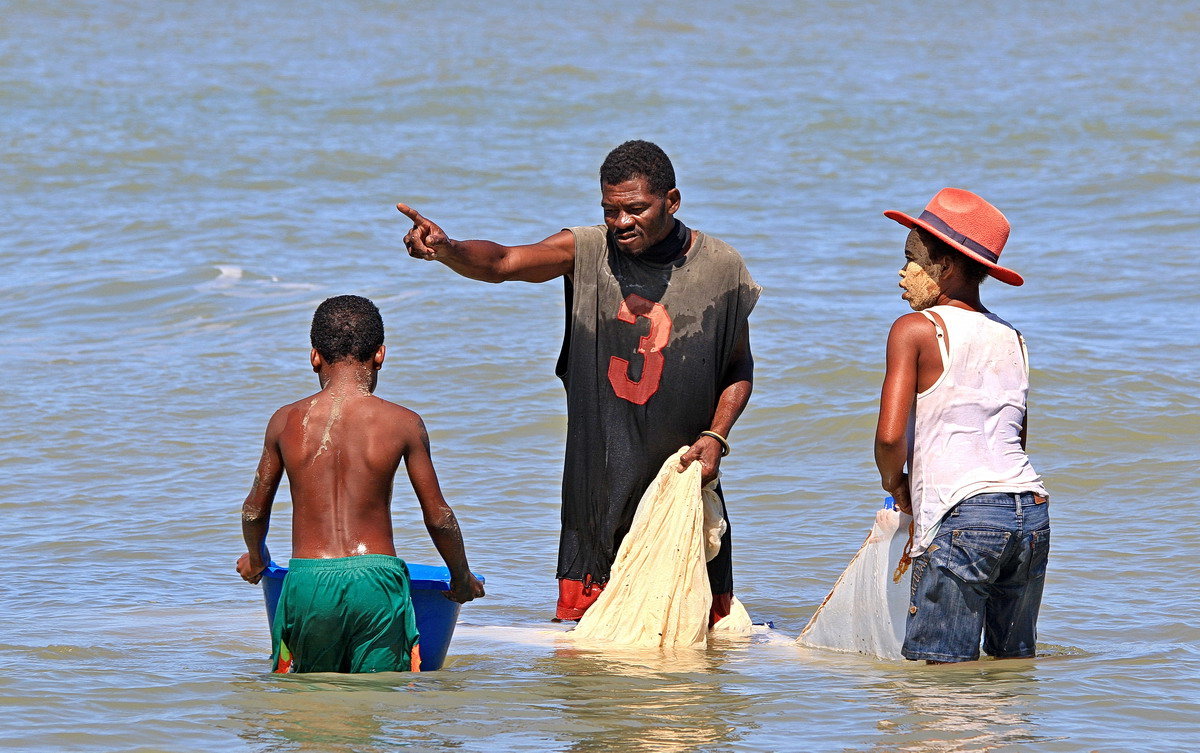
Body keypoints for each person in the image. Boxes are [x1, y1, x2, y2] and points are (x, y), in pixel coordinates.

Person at [397, 140, 760, 622]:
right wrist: (448, 249)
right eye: (611, 210)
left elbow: (738, 368)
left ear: (672, 201)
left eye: (636, 209)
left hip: (683, 488)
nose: (622, 222)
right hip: (596, 498)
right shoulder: (587, 250)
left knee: (696, 648)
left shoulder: (721, 267)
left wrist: (716, 437)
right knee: (587, 662)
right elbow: (505, 262)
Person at [236, 295, 484, 673]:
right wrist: (460, 576)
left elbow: (254, 511)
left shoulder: (285, 421)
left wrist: (257, 560)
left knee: (310, 710)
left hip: (309, 582)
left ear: (314, 356)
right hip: (377, 582)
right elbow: (438, 517)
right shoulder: (403, 422)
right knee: (377, 703)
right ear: (380, 354)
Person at [874, 188, 1050, 663]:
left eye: (911, 259)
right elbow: (1016, 438)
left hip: (964, 517)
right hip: (1030, 513)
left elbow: (891, 437)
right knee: (1010, 669)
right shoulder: (1013, 338)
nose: (901, 272)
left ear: (945, 268)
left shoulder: (914, 330)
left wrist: (898, 484)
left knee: (939, 678)